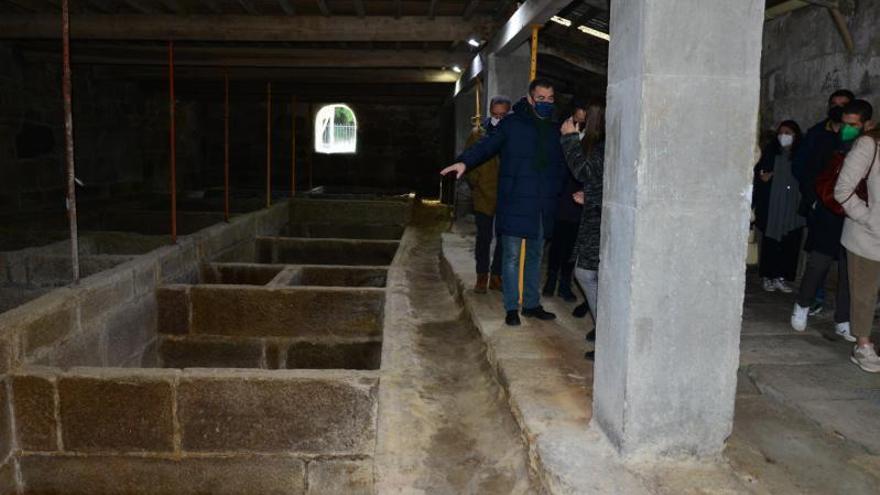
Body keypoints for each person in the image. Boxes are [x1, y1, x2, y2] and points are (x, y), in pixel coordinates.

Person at [441, 78, 567, 326]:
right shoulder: (511, 124)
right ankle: (511, 307)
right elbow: (486, 145)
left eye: (550, 99)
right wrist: (465, 161)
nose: (545, 103)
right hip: (515, 201)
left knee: (534, 255)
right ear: (530, 98)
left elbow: (560, 167)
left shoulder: (555, 130)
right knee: (510, 257)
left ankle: (531, 304)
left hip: (542, 205)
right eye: (541, 99)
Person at [791, 100, 873, 341]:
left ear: (866, 124)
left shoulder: (870, 147)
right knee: (819, 262)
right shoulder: (828, 144)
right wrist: (815, 202)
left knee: (851, 270)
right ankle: (802, 305)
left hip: (857, 216)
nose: (847, 129)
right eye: (844, 124)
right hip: (828, 212)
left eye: (853, 125)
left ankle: (843, 319)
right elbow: (810, 174)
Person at [792, 89, 855, 313]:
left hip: (849, 208)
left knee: (848, 260)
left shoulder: (855, 136)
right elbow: (801, 166)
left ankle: (844, 315)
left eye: (843, 104)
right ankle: (811, 299)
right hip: (820, 205)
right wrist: (813, 198)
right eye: (834, 103)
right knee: (819, 256)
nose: (837, 108)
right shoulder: (817, 133)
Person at [834, 104, 880, 372]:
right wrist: (870, 218)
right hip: (868, 236)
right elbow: (842, 189)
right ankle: (862, 345)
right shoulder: (868, 145)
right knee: (864, 293)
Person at [560, 100, 605, 360]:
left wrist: (569, 140)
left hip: (600, 223)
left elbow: (583, 172)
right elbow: (600, 180)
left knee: (586, 274)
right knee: (589, 274)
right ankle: (603, 328)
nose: (581, 124)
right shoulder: (605, 145)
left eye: (585, 120)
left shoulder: (602, 146)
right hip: (596, 216)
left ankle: (606, 332)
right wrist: (591, 196)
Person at [465, 96, 511, 293]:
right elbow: (469, 159)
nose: (498, 118)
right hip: (484, 193)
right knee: (483, 237)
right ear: (490, 111)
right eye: (495, 114)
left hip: (506, 194)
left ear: (508, 113)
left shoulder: (513, 134)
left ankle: (497, 276)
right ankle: (481, 277)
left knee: (503, 237)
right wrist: (476, 183)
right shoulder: (478, 134)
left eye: (502, 115)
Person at [753, 120, 805, 293]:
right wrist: (764, 179)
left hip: (792, 205)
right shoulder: (770, 152)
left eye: (788, 132)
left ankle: (782, 277)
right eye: (781, 132)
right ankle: (768, 276)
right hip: (772, 206)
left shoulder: (801, 153)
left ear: (796, 135)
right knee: (770, 242)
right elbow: (760, 174)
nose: (784, 136)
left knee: (790, 242)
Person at [543, 103, 586, 303]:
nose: (578, 124)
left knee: (572, 245)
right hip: (561, 197)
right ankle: (551, 281)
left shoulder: (592, 141)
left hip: (579, 198)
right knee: (558, 242)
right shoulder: (560, 136)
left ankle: (564, 284)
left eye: (583, 120)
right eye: (576, 119)